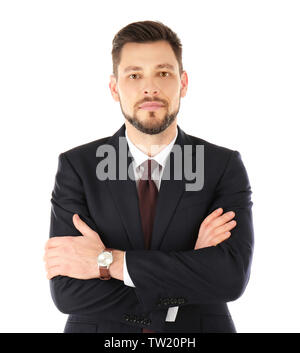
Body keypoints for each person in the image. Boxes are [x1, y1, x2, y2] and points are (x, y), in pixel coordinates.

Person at [44, 20, 254, 333]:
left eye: (163, 73)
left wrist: (107, 262)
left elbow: (229, 277)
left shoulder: (222, 166)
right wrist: (191, 267)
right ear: (115, 87)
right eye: (134, 75)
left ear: (183, 83)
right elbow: (67, 292)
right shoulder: (78, 167)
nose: (150, 87)